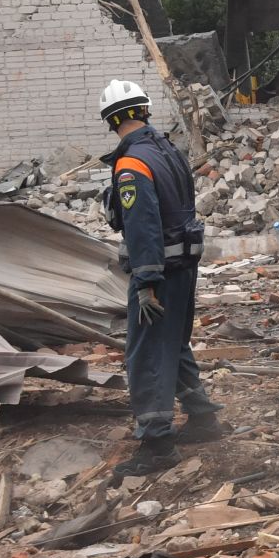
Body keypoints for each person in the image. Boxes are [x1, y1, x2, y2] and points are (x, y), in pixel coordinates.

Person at [98, 80, 219, 476]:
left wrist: (146, 281)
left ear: (110, 120)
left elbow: (143, 224)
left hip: (158, 272)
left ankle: (157, 444)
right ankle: (203, 418)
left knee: (148, 352)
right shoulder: (168, 149)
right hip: (184, 267)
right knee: (174, 343)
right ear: (144, 111)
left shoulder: (131, 163)